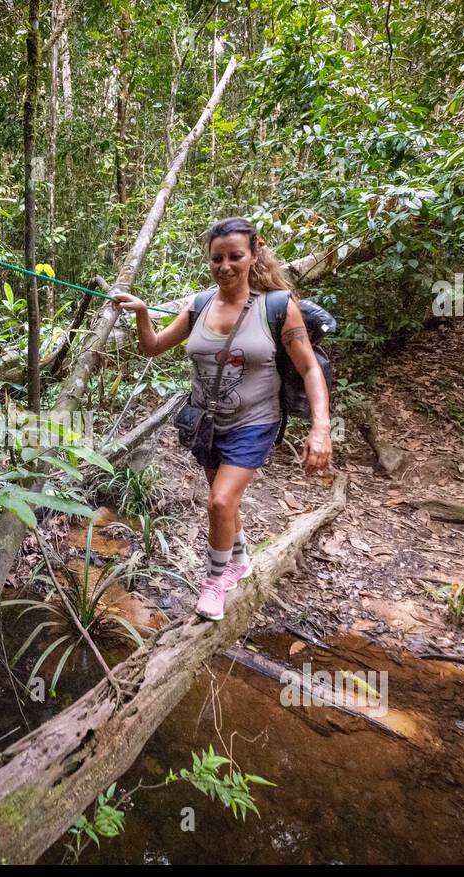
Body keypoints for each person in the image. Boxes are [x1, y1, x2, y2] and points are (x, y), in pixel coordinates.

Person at [111, 216, 333, 621]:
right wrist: (142, 312)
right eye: (217, 258)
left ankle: (215, 581)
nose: (225, 266)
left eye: (235, 256)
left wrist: (321, 427)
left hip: (256, 421)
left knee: (219, 500)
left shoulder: (278, 307)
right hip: (207, 422)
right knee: (225, 502)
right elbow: (154, 346)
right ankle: (240, 557)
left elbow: (309, 369)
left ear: (253, 254)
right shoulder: (198, 306)